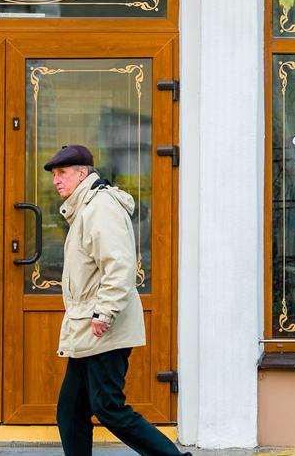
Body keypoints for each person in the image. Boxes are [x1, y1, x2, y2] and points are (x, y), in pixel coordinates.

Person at [44, 144, 190, 456]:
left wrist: (104, 313)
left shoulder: (100, 208)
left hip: (103, 326)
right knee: (71, 410)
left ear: (82, 174)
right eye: (54, 174)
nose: (56, 180)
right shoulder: (84, 207)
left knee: (108, 406)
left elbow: (120, 265)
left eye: (62, 173)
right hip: (87, 325)